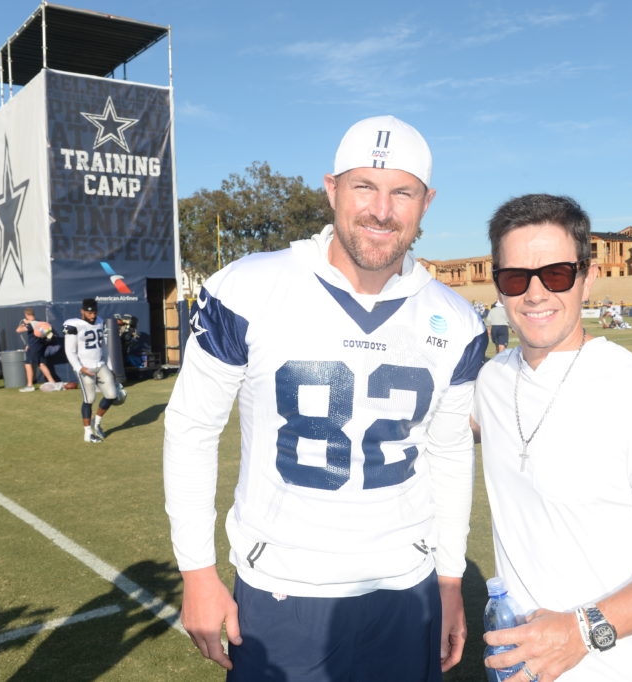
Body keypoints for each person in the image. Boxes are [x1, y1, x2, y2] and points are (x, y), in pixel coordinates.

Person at [163, 115, 487, 681]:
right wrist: (197, 571)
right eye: (364, 186)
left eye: (401, 192)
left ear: (426, 202)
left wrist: (451, 578)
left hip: (406, 588)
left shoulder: (456, 318)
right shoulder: (248, 287)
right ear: (332, 189)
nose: (381, 210)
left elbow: (450, 452)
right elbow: (192, 428)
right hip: (282, 586)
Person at [472, 194, 632, 682]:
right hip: (520, 665)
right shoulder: (490, 382)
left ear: (588, 277)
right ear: (499, 288)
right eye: (515, 278)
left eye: (556, 274)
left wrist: (580, 631)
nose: (535, 293)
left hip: (619, 666)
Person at [63, 298, 118, 443]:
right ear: (82, 311)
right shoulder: (74, 325)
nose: (92, 316)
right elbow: (70, 351)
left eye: (94, 312)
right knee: (89, 399)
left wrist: (110, 366)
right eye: (89, 313)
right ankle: (87, 433)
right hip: (85, 366)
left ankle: (97, 423)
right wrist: (80, 368)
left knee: (112, 395)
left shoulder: (99, 321)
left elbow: (104, 347)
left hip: (100, 364)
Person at [15, 308, 58, 391]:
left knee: (28, 364)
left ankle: (30, 386)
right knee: (41, 364)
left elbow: (18, 330)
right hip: (39, 347)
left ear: (26, 315)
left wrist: (23, 323)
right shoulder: (39, 322)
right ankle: (52, 382)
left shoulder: (31, 324)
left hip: (33, 348)